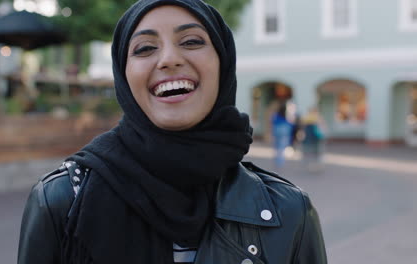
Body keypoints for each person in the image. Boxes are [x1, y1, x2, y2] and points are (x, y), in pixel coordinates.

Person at [17, 1, 327, 264]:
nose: (169, 59)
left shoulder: (290, 212)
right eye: (145, 48)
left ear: (223, 63)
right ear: (123, 76)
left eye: (192, 42)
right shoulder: (60, 201)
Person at [301, 107, 326, 172]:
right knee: (318, 152)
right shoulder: (318, 117)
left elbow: (303, 129)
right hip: (317, 138)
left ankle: (308, 165)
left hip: (308, 138)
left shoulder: (306, 118)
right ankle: (318, 165)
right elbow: (323, 127)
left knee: (307, 152)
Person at [271, 102, 293, 168]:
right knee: (281, 147)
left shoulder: (276, 114)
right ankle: (280, 162)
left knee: (277, 146)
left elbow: (273, 121)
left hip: (277, 130)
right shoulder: (286, 114)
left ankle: (277, 161)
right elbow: (290, 123)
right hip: (285, 131)